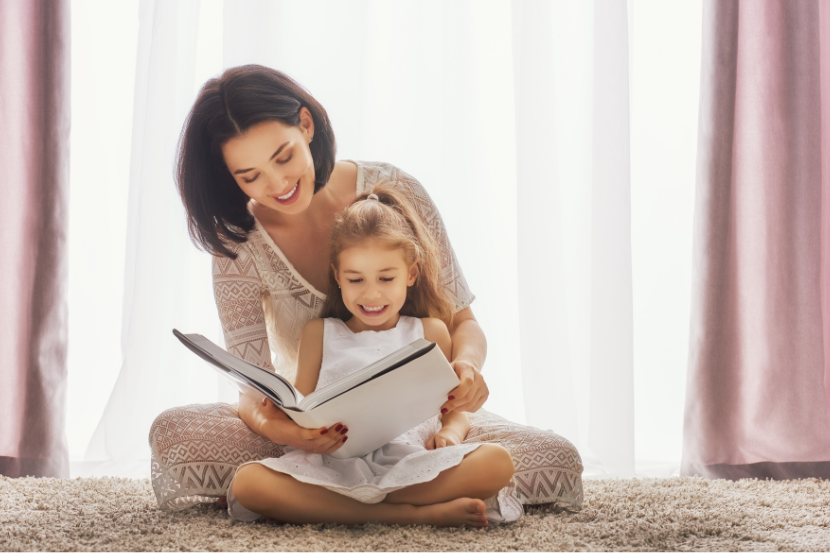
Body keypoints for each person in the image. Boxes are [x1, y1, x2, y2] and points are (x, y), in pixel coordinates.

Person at [149, 64, 583, 517]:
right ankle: (401, 507)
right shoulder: (240, 245)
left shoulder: (395, 190)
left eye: (282, 157)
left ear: (305, 124)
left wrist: (466, 370)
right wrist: (289, 434)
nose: (276, 185)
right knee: (177, 434)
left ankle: (329, 503)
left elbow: (462, 322)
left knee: (552, 458)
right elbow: (255, 392)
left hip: (415, 428)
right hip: (316, 430)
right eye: (250, 175)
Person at [228, 187, 522, 526]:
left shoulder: (431, 332)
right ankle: (411, 516)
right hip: (333, 466)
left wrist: (451, 435)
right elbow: (303, 403)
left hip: (410, 462)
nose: (371, 293)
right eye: (356, 279)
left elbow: (453, 409)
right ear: (338, 276)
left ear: (411, 274)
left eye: (386, 278)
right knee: (248, 482)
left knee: (497, 462)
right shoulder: (319, 333)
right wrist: (284, 416)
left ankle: (360, 510)